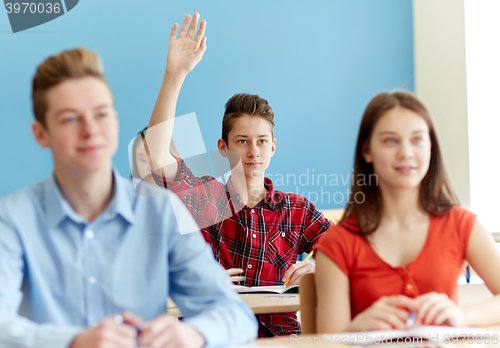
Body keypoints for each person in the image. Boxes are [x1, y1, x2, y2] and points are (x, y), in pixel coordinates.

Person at [0, 47, 258, 348]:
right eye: (71, 119)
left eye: (101, 114)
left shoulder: (160, 212)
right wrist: (73, 342)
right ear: (41, 133)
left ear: (116, 121)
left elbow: (235, 315)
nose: (91, 130)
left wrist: (193, 333)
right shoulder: (13, 219)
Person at [144, 13, 332, 337]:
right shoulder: (204, 198)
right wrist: (174, 75)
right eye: (242, 142)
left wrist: (319, 266)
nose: (252, 151)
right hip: (216, 335)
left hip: (283, 337)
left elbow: (347, 247)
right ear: (223, 147)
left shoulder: (296, 210)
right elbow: (157, 157)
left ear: (273, 147)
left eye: (261, 142)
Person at [314, 91, 500, 332]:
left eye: (417, 139)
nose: (406, 153)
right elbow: (328, 341)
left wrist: (462, 315)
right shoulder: (338, 243)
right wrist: (354, 330)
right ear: (366, 150)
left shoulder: (461, 224)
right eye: (390, 140)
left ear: (431, 146)